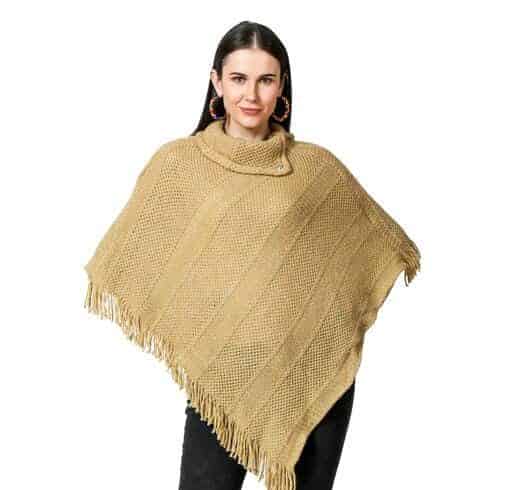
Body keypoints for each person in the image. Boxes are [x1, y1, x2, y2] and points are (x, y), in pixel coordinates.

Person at [83, 19, 420, 490]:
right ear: (216, 82)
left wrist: (329, 322)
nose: (251, 95)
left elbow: (377, 248)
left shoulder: (315, 169)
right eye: (239, 78)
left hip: (314, 382)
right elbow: (144, 261)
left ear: (282, 86)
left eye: (266, 80)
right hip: (222, 382)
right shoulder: (178, 165)